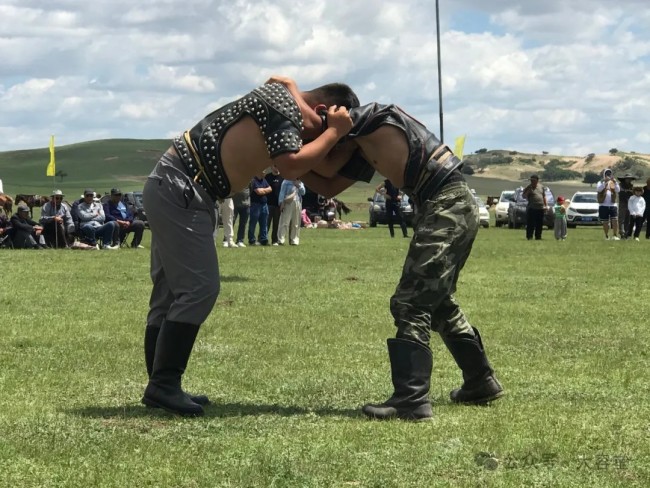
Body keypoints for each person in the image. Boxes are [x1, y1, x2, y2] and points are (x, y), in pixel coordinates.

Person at [284, 86, 503, 421]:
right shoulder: (360, 138)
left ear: (330, 110)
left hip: (448, 202)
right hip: (445, 204)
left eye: (306, 125)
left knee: (410, 301)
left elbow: (318, 129)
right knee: (436, 300)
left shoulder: (370, 117)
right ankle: (480, 381)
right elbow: (328, 182)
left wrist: (292, 95)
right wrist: (288, 166)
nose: (302, 134)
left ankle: (411, 400)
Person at [141, 79, 358, 416]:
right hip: (183, 187)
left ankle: (161, 384)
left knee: (170, 292)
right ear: (321, 112)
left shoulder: (282, 96)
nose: (310, 141)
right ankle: (163, 384)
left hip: (178, 184)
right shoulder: (286, 109)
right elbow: (291, 165)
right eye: (317, 134)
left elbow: (282, 82)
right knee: (199, 289)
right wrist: (334, 132)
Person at [277, 178, 306, 245]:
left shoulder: (300, 182)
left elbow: (303, 192)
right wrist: (281, 203)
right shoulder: (286, 181)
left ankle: (294, 240)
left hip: (297, 202)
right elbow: (282, 193)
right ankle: (281, 240)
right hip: (288, 203)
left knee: (296, 223)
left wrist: (299, 186)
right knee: (284, 222)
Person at [596, 168, 620, 240]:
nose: (608, 175)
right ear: (604, 175)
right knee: (605, 221)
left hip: (613, 204)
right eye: (607, 174)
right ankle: (606, 236)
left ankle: (615, 235)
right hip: (603, 205)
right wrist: (605, 182)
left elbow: (618, 190)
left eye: (609, 174)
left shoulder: (613, 182)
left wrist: (615, 183)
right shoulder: (600, 182)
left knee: (615, 220)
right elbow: (598, 189)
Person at [248, 174, 272, 246]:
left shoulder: (264, 180)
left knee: (264, 223)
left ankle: (263, 239)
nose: (264, 173)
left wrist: (263, 190)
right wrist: (265, 190)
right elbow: (258, 191)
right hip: (255, 205)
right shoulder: (254, 181)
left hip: (264, 205)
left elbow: (270, 189)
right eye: (263, 171)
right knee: (253, 223)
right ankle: (252, 240)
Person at [522, 175, 547, 240]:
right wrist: (528, 192)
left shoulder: (541, 187)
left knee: (539, 223)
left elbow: (544, 196)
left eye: (533, 180)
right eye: (531, 180)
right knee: (530, 223)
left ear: (537, 180)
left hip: (540, 208)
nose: (532, 182)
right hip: (532, 208)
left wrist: (545, 205)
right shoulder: (529, 187)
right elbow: (523, 196)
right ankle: (529, 236)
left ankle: (538, 236)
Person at [265, 166, 284, 246]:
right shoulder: (267, 177)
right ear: (272, 167)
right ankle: (263, 239)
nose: (277, 168)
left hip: (278, 205)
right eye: (275, 166)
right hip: (268, 204)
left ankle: (275, 240)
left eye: (278, 166)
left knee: (276, 224)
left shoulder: (283, 177)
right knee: (266, 223)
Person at [617, 174, 636, 239]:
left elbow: (633, 193)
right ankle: (621, 232)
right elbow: (622, 193)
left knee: (628, 219)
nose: (629, 180)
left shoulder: (631, 186)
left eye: (630, 179)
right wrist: (628, 191)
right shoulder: (620, 185)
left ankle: (626, 233)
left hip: (629, 203)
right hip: (623, 203)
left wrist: (629, 191)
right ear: (625, 179)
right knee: (621, 218)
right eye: (628, 178)